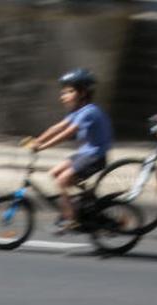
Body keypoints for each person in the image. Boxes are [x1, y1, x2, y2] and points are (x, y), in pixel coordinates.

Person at [30, 68, 113, 232]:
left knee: (62, 181)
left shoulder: (89, 111)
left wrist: (43, 146)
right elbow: (57, 127)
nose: (63, 96)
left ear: (82, 93)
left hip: (95, 156)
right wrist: (37, 140)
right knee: (54, 173)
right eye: (63, 92)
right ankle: (85, 201)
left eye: (69, 92)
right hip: (86, 153)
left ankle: (71, 220)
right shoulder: (78, 112)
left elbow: (68, 132)